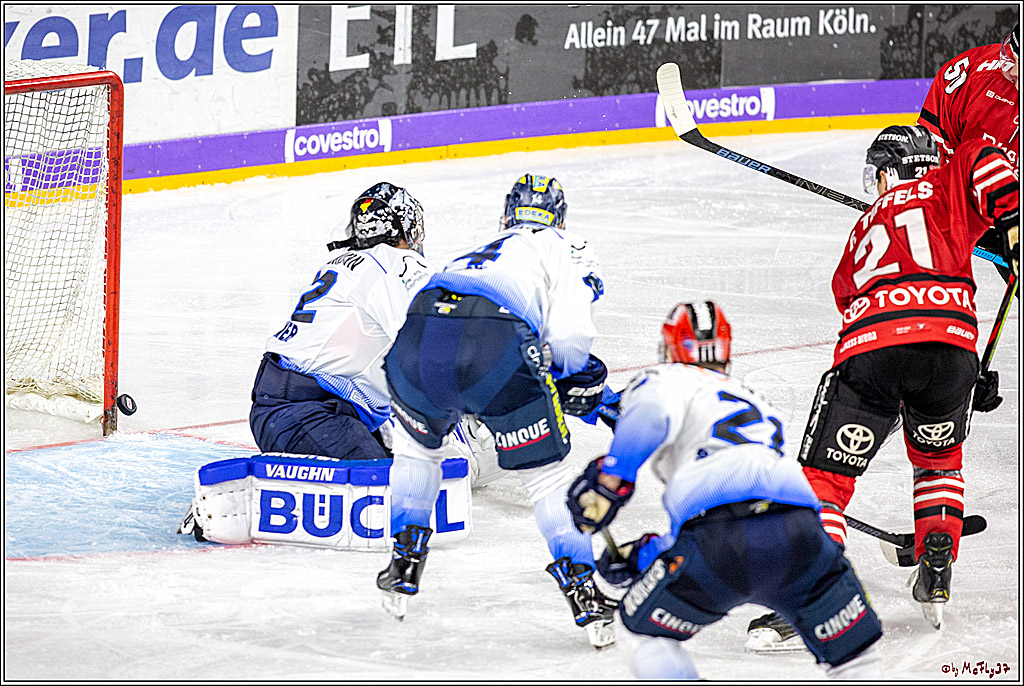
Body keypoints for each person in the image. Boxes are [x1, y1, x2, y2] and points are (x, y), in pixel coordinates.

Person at [749, 125, 1019, 647]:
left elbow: (845, 293)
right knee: (939, 461)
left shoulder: (863, 227)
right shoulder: (949, 189)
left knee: (825, 477)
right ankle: (937, 559)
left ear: (887, 170)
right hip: (952, 352)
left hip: (871, 349)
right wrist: (1011, 219)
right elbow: (985, 156)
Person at [564, 301, 883, 679]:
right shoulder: (754, 400)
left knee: (640, 634)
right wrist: (649, 554)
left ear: (670, 349)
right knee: (856, 658)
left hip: (719, 541)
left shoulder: (666, 378)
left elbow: (727, 529)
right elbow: (752, 521)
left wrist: (610, 480)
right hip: (804, 535)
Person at [375, 173, 618, 648]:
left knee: (417, 455)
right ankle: (584, 594)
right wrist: (569, 377)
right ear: (559, 217)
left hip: (418, 336)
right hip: (493, 343)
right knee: (547, 478)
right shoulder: (558, 246)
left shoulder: (475, 252)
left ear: (507, 214)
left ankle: (403, 565)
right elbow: (569, 338)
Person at [248, 181, 502, 483]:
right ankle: (247, 496)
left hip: (297, 408)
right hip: (307, 414)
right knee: (387, 493)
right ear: (407, 230)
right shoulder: (393, 262)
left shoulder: (347, 263)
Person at [918, 21, 1019, 284]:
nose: (1014, 73)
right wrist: (929, 198)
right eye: (1012, 61)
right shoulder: (975, 74)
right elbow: (933, 144)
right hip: (973, 199)